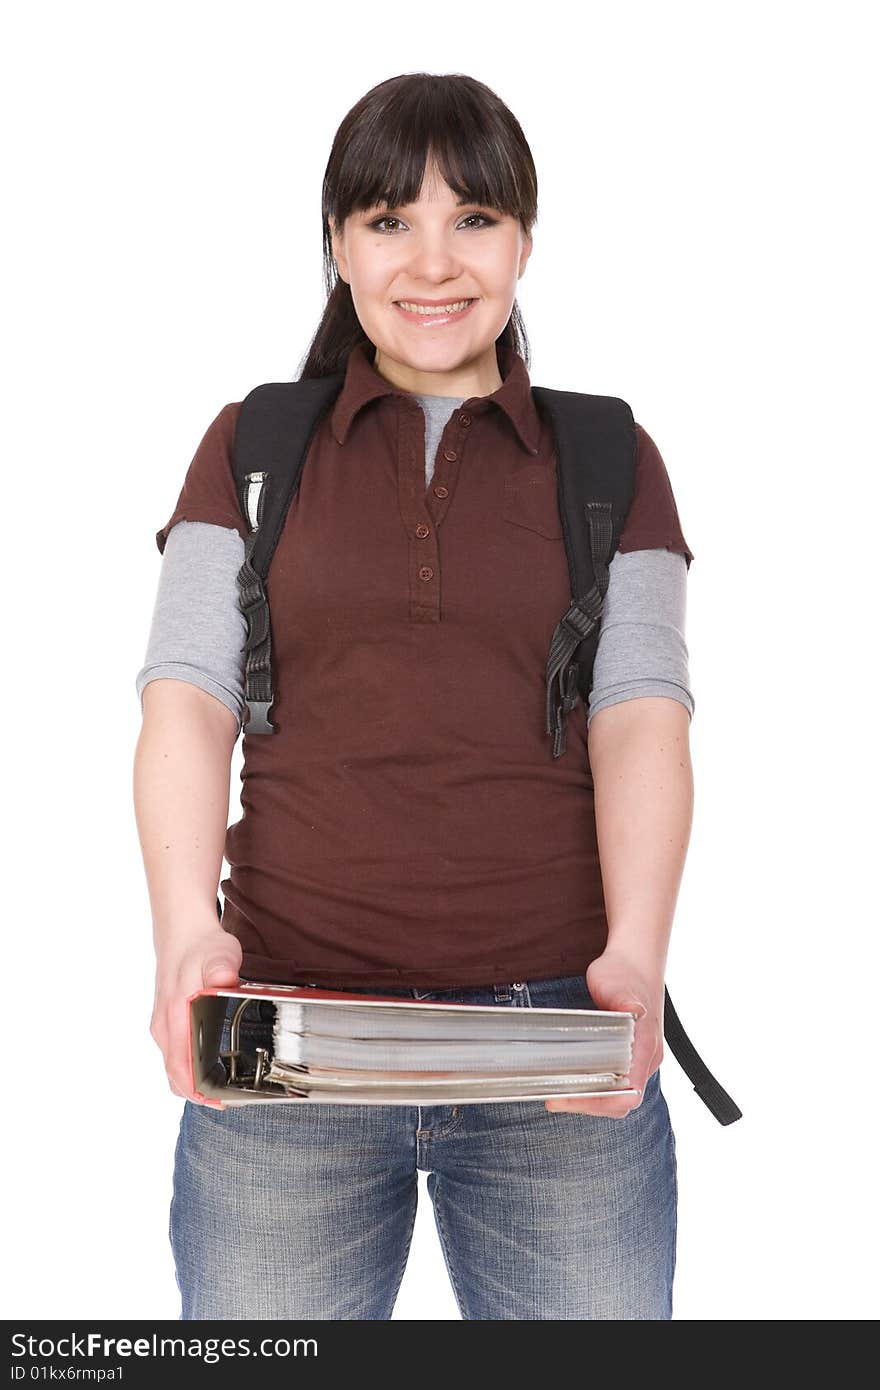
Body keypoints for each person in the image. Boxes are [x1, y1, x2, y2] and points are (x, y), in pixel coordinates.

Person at [133, 72, 694, 1320]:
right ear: (336, 245)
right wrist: (184, 932)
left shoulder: (608, 457)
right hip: (285, 1046)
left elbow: (643, 714)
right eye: (389, 221)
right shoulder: (251, 446)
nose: (432, 263)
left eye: (473, 220)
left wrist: (636, 963)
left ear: (524, 241)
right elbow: (184, 699)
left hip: (558, 1058)